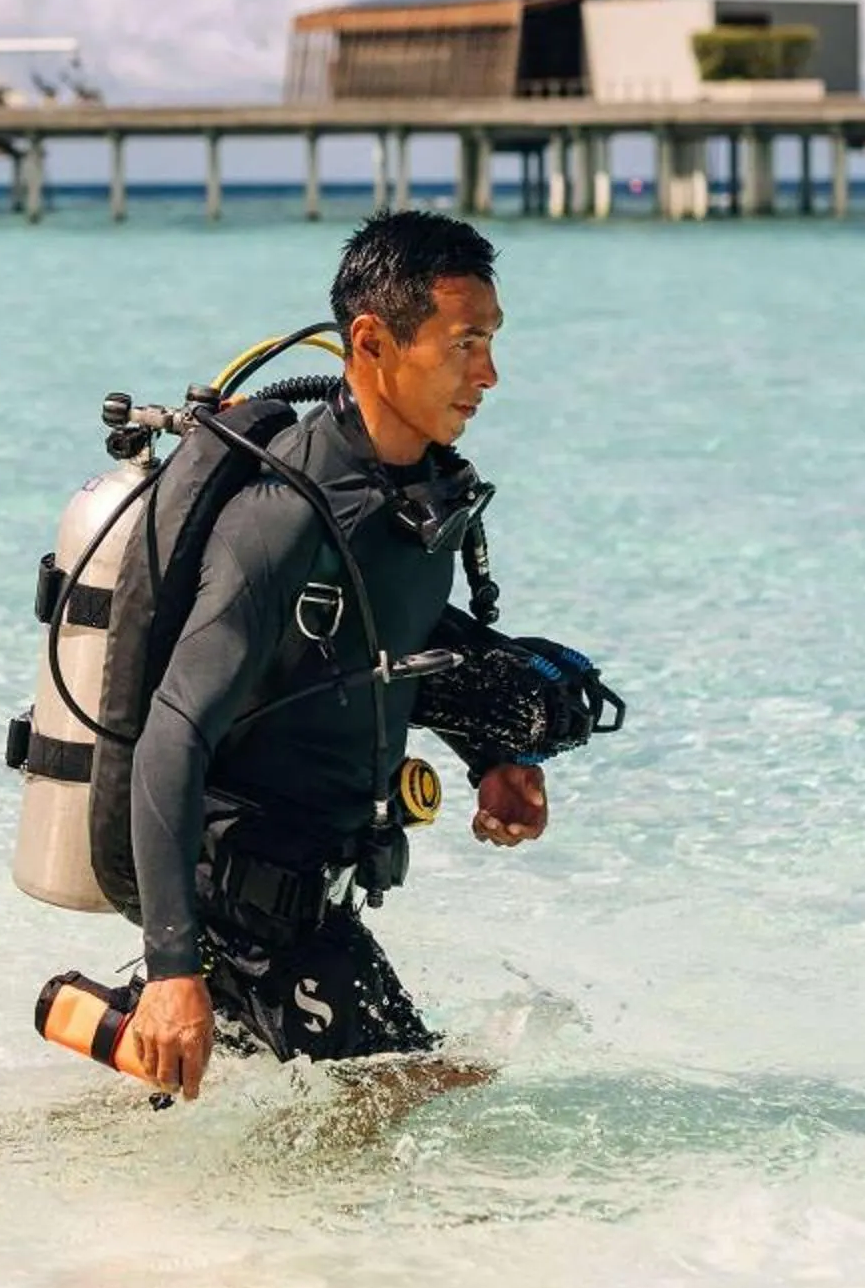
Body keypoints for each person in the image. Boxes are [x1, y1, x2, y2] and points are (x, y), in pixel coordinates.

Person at [118, 209, 560, 1099]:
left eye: (492, 341)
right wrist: (173, 968)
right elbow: (173, 731)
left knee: (381, 1106)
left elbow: (380, 644)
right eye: (464, 343)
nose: (489, 374)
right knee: (429, 1096)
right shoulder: (284, 516)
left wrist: (492, 756)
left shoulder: (419, 491)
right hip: (239, 908)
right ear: (372, 341)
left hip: (308, 892)